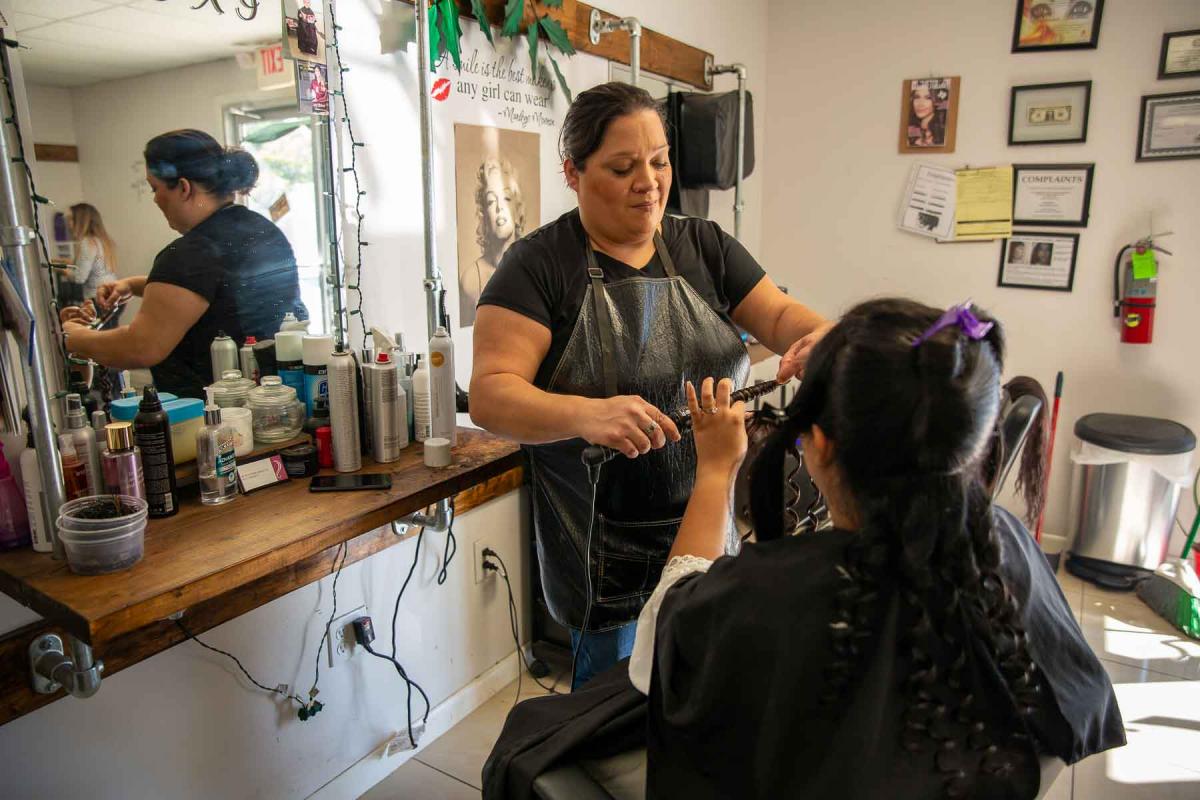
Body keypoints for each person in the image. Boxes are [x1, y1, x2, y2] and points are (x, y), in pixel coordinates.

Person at [624, 299, 1124, 798]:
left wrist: (715, 472)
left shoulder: (773, 595)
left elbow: (657, 653)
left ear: (820, 445)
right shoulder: (1004, 538)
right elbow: (1072, 709)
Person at [470, 82, 831, 689]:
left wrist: (820, 334)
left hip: (706, 525)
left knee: (699, 696)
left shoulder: (704, 246)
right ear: (573, 172)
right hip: (600, 552)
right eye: (623, 168)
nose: (649, 182)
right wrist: (585, 415)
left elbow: (779, 315)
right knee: (616, 714)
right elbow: (490, 395)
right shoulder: (537, 266)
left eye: (660, 162)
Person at [59, 129, 307, 399]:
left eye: (155, 188)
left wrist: (72, 335)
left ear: (184, 187)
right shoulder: (262, 230)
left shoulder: (192, 252)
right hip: (280, 397)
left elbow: (141, 346)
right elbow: (222, 293)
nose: (155, 199)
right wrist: (133, 285)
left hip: (215, 411)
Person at [460, 157, 526, 324]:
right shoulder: (471, 280)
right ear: (484, 215)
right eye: (490, 201)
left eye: (506, 198)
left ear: (517, 210)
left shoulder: (536, 269)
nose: (499, 207)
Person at [66, 203, 120, 311]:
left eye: (71, 219)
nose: (68, 223)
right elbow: (90, 263)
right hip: (114, 294)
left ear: (81, 221)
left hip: (99, 298)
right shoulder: (101, 240)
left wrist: (61, 270)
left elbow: (79, 277)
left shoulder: (87, 243)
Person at [907, 82, 946, 148]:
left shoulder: (942, 134)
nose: (920, 104)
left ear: (937, 101)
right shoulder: (910, 133)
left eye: (928, 98)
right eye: (917, 97)